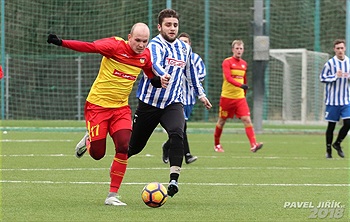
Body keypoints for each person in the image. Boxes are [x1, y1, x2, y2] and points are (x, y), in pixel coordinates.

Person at [47, 23, 161, 206]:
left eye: (145, 41)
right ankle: (88, 140)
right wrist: (61, 42)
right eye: (137, 40)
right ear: (129, 37)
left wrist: (157, 81)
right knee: (98, 154)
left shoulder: (145, 55)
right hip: (97, 107)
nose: (140, 45)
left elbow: (149, 72)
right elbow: (89, 46)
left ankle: (112, 195)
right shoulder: (115, 46)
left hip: (121, 109)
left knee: (124, 146)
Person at [127, 9, 212, 198]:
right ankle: (114, 161)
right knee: (134, 147)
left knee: (177, 132)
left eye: (175, 25)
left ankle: (174, 179)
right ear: (159, 27)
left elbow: (190, 73)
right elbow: (155, 63)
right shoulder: (155, 45)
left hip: (173, 102)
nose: (172, 28)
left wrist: (201, 94)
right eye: (168, 25)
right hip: (149, 104)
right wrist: (162, 74)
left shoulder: (184, 48)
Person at [162, 32, 207, 164]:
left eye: (185, 42)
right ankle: (186, 154)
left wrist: (190, 77)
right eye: (181, 41)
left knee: (180, 129)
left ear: (189, 44)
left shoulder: (195, 58)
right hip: (175, 98)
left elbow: (202, 74)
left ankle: (167, 147)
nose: (183, 44)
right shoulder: (172, 56)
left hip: (189, 99)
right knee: (181, 128)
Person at [213, 40, 263, 153]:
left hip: (239, 98)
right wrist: (241, 85)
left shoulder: (244, 64)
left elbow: (244, 79)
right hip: (227, 97)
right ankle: (217, 144)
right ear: (233, 49)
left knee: (247, 119)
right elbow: (228, 78)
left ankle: (253, 145)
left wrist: (243, 93)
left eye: (241, 48)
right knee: (221, 121)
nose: (239, 50)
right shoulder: (227, 62)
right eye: (237, 48)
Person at [319, 39, 348, 159]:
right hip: (332, 101)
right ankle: (328, 150)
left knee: (348, 123)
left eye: (342, 48)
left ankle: (338, 143)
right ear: (334, 50)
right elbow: (322, 78)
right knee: (331, 126)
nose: (340, 50)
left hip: (346, 100)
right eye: (338, 48)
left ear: (345, 48)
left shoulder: (349, 62)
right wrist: (335, 76)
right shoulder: (330, 64)